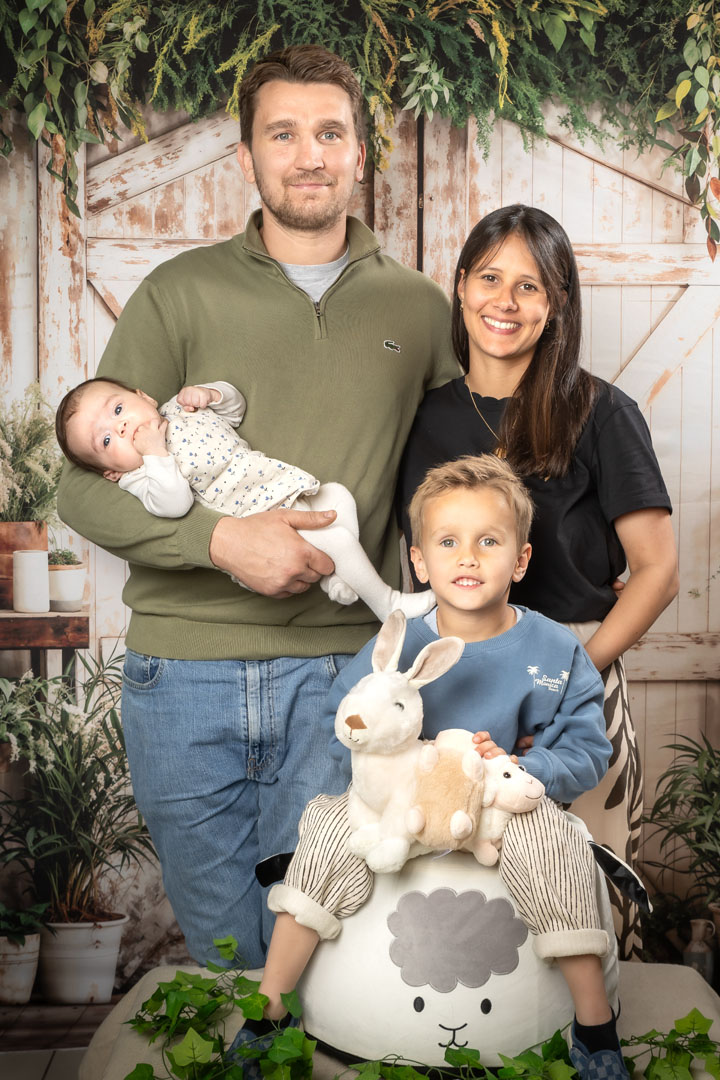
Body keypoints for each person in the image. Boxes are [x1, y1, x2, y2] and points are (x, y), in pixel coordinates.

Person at [55, 44, 458, 969]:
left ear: (362, 152)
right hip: (183, 682)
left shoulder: (422, 307)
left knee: (318, 954)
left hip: (339, 678)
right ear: (247, 157)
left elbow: (466, 476)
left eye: (330, 132)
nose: (308, 154)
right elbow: (80, 486)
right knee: (230, 957)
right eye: (283, 133)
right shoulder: (177, 294)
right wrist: (221, 539)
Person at [235, 454, 628, 1080]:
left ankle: (594, 1027)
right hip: (399, 803)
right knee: (326, 830)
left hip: (495, 807)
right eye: (448, 542)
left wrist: (529, 768)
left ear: (520, 560)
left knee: (556, 847)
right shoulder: (401, 639)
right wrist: (389, 759)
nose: (467, 558)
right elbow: (351, 720)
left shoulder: (556, 649)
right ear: (419, 560)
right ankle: (270, 1007)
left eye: (488, 542)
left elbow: (587, 748)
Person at [397, 204, 678, 958]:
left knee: (590, 877)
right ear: (460, 287)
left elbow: (658, 571)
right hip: (453, 678)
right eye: (490, 278)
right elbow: (412, 559)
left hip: (580, 666)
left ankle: (595, 1041)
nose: (506, 302)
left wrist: (568, 679)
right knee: (465, 880)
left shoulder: (600, 412)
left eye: (531, 287)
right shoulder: (423, 419)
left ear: (556, 306)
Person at [55, 377, 436, 624]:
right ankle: (387, 604)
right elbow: (174, 505)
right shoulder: (141, 476)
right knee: (334, 539)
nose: (119, 427)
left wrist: (212, 394)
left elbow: (234, 410)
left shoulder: (179, 408)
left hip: (275, 486)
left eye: (118, 410)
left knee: (337, 496)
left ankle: (340, 576)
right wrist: (155, 452)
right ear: (111, 473)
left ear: (144, 397)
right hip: (258, 521)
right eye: (106, 441)